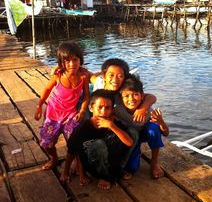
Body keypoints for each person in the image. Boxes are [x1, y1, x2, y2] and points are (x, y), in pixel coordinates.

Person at [60, 89, 134, 190]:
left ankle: (118, 169)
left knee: (132, 133)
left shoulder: (113, 123)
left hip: (110, 161)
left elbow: (129, 143)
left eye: (107, 108)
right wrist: (65, 172)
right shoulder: (82, 128)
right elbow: (72, 151)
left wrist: (112, 126)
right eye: (99, 107)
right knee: (99, 144)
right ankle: (104, 177)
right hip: (92, 164)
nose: (103, 112)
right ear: (91, 108)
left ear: (112, 110)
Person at [34, 41, 90, 170]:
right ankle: (54, 159)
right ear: (61, 62)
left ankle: (76, 161)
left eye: (75, 60)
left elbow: (86, 95)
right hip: (53, 114)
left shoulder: (83, 76)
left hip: (70, 114)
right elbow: (47, 90)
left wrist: (82, 110)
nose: (72, 64)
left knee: (74, 140)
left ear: (80, 59)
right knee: (47, 144)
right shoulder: (58, 75)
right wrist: (39, 105)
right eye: (67, 61)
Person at [116, 74, 169, 179]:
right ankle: (135, 151)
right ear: (121, 98)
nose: (131, 99)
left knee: (153, 128)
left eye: (135, 94)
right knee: (132, 168)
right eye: (126, 96)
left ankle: (154, 163)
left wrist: (161, 122)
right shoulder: (117, 109)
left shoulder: (148, 111)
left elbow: (166, 133)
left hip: (143, 133)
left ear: (142, 96)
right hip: (130, 137)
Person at [91, 58, 157, 123]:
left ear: (124, 78)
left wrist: (142, 109)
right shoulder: (99, 83)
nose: (115, 80)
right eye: (111, 75)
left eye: (120, 76)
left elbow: (151, 97)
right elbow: (92, 77)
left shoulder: (123, 89)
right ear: (104, 77)